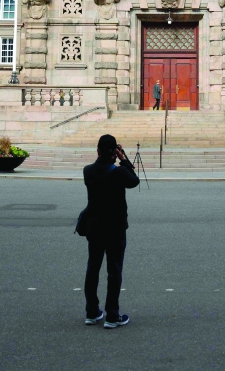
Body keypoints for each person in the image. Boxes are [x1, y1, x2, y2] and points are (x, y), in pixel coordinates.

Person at [83, 134, 140, 329]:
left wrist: (114, 157)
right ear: (115, 152)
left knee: (93, 268)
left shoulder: (87, 171)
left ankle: (92, 312)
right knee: (114, 271)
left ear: (97, 151)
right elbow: (134, 181)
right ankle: (112, 315)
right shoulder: (120, 172)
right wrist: (124, 159)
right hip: (115, 228)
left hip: (94, 227)